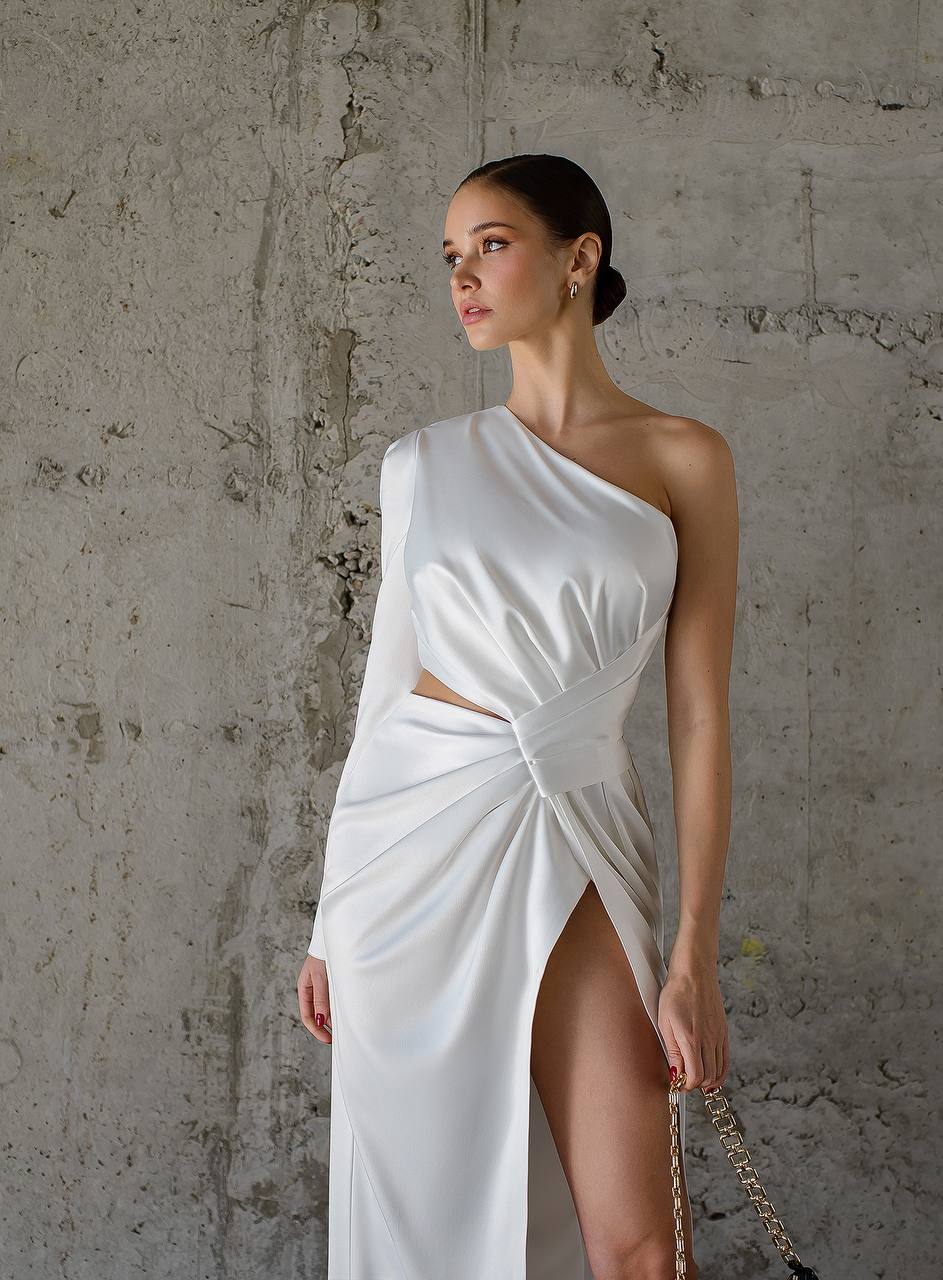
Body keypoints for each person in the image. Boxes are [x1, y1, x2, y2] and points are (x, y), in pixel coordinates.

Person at [297, 153, 738, 1280]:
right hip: (410, 858)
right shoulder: (422, 465)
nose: (464, 276)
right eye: (451, 256)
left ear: (578, 259)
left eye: (490, 244)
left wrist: (692, 952)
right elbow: (381, 695)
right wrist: (326, 916)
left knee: (637, 1241)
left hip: (579, 823)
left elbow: (697, 715)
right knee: (423, 1226)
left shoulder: (684, 458)